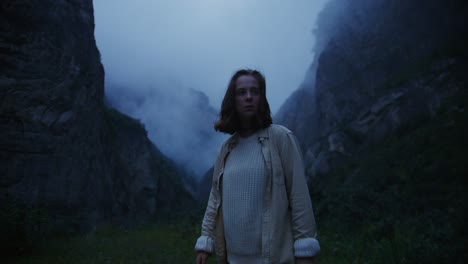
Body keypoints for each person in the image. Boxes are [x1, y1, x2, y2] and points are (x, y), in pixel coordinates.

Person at [194, 69, 320, 264]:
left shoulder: (280, 138)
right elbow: (215, 198)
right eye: (242, 92)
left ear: (261, 98)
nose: (249, 97)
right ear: (232, 100)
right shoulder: (226, 149)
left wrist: (305, 250)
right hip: (232, 259)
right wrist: (205, 243)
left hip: (271, 259)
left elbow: (299, 195)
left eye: (255, 91)